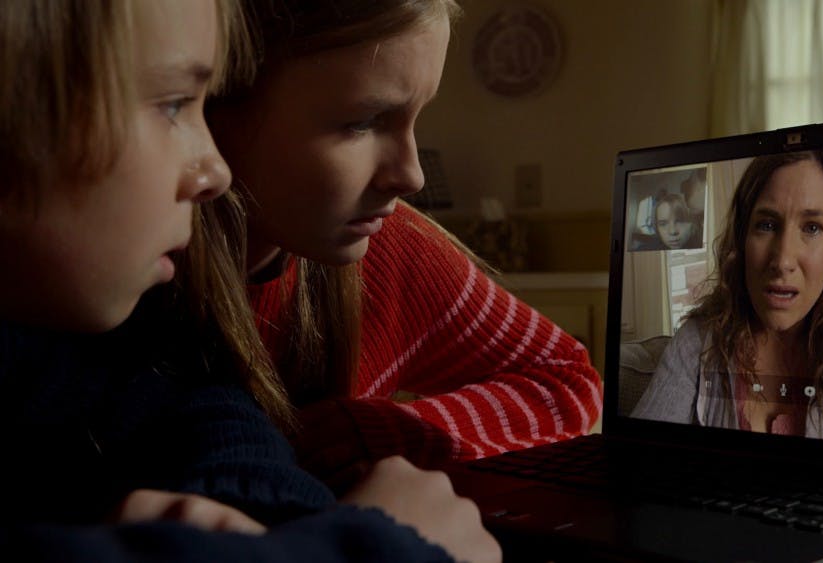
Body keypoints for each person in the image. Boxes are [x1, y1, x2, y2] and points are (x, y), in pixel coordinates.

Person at [0, 1, 499, 561]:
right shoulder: (117, 305)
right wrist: (372, 545)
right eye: (174, 104)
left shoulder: (82, 351)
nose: (215, 170)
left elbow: (198, 411)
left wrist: (270, 517)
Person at [207, 0, 602, 491]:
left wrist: (394, 433)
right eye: (363, 121)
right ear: (218, 105)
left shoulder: (389, 246)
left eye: (417, 116)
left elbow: (565, 377)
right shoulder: (133, 287)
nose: (412, 176)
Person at [632, 148, 823, 449]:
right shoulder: (697, 342)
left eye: (812, 227)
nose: (783, 260)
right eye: (766, 225)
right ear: (742, 238)